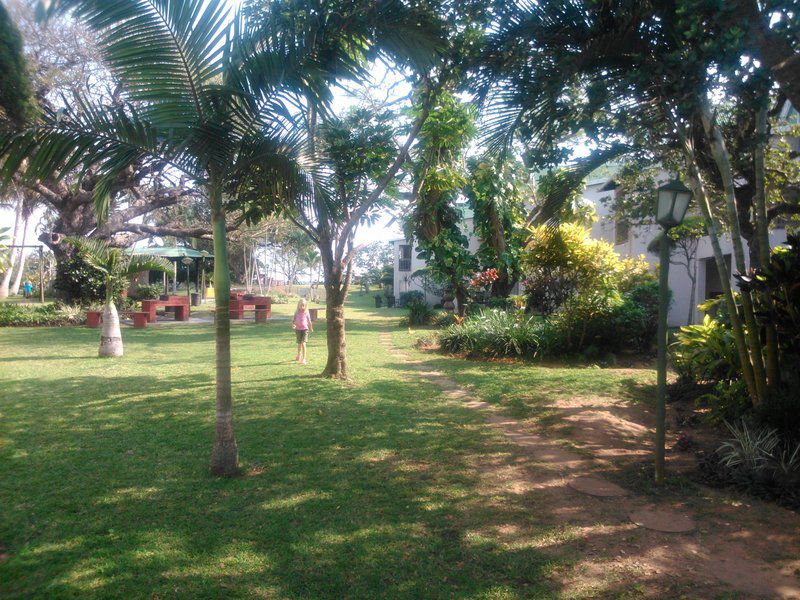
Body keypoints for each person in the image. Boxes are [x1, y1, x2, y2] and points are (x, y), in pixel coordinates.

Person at [292, 298, 313, 365]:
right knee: (299, 343)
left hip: (305, 329)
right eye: (301, 305)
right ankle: (299, 354)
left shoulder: (306, 312)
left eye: (303, 305)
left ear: (305, 306)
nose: (302, 307)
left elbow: (309, 321)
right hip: (298, 330)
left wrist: (311, 328)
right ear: (298, 305)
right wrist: (293, 325)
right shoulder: (296, 312)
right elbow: (293, 321)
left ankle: (304, 359)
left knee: (303, 343)